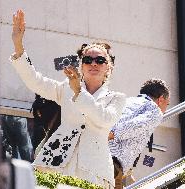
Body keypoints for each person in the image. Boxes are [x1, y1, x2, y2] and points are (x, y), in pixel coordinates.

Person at [10, 9, 126, 188]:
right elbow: (35, 81)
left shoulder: (117, 98)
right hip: (55, 162)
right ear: (81, 65)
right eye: (88, 59)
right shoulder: (66, 87)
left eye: (100, 60)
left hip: (93, 170)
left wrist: (79, 92)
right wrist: (18, 46)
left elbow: (104, 119)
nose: (93, 63)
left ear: (108, 68)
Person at [108, 78, 170, 189]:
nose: (165, 109)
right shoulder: (155, 111)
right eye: (167, 104)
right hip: (111, 164)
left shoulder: (128, 101)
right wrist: (110, 134)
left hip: (100, 155)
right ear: (161, 99)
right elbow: (130, 127)